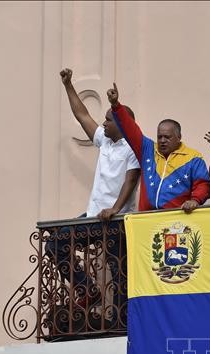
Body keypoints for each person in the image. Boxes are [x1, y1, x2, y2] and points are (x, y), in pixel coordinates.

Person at [45, 68, 140, 312]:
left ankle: (122, 322)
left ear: (121, 122)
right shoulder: (106, 140)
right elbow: (82, 115)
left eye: (108, 119)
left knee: (119, 272)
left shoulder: (133, 148)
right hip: (93, 216)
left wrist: (114, 209)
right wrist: (68, 85)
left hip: (117, 219)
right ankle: (87, 289)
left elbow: (131, 180)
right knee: (55, 244)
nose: (103, 123)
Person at [107, 83, 210, 213]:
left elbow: (203, 184)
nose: (162, 141)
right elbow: (130, 130)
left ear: (179, 137)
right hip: (147, 218)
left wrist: (195, 200)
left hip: (177, 219)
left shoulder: (193, 158)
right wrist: (116, 105)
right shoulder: (148, 150)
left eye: (167, 137)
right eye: (159, 137)